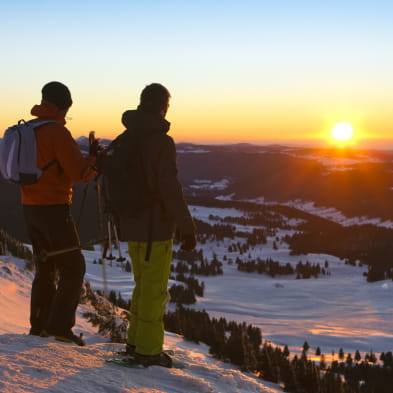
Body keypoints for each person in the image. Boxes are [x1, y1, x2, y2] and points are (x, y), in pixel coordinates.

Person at [119, 83, 196, 367]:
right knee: (155, 289)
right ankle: (148, 352)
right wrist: (186, 227)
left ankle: (135, 342)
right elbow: (170, 188)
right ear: (163, 106)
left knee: (143, 285)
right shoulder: (161, 142)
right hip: (156, 229)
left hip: (131, 225)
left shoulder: (125, 138)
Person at [22, 81, 95, 345]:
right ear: (64, 105)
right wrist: (95, 163)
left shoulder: (29, 128)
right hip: (53, 208)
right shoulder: (57, 132)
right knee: (74, 267)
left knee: (45, 265)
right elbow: (78, 173)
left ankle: (39, 325)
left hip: (29, 207)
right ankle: (59, 328)